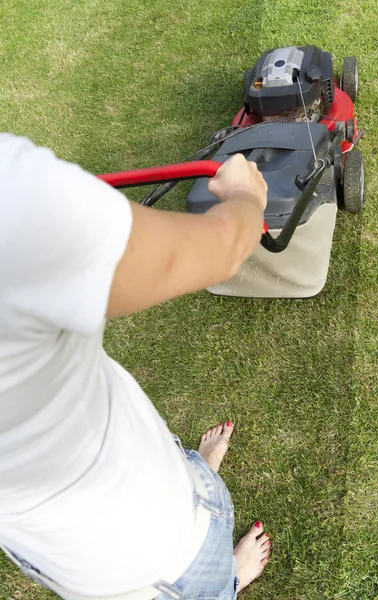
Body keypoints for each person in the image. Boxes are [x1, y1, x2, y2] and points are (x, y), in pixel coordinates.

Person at [0, 132, 270, 600]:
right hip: (170, 558)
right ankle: (230, 576)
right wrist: (248, 196)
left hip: (83, 553)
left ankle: (199, 471)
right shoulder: (15, 199)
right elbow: (219, 247)